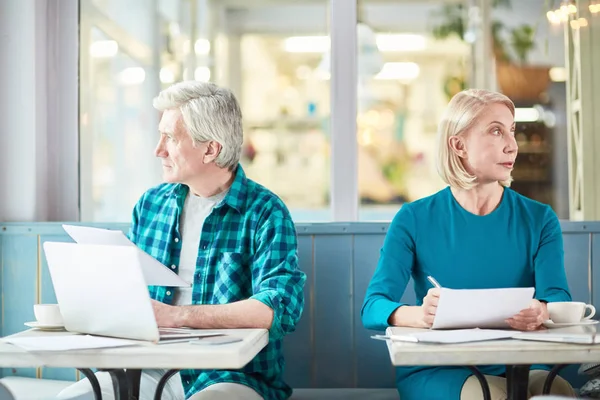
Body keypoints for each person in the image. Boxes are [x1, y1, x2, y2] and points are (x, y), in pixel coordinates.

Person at [57, 81, 306, 400]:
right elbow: (128, 291)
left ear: (210, 149)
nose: (158, 149)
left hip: (231, 375)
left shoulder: (264, 212)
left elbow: (281, 307)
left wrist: (176, 317)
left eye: (171, 137)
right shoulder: (151, 205)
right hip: (146, 368)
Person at [361, 89, 576, 400]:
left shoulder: (540, 219)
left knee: (557, 392)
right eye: (495, 131)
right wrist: (420, 315)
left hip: (522, 360)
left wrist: (541, 310)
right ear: (458, 144)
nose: (512, 145)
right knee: (494, 395)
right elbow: (373, 306)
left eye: (511, 130)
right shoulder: (413, 218)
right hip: (441, 367)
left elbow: (557, 296)